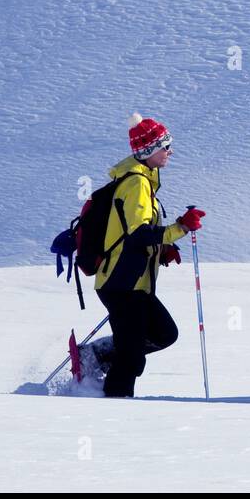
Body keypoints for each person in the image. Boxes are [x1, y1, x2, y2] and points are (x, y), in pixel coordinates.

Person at [91, 113, 205, 397]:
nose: (170, 152)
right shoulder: (137, 184)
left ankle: (98, 356)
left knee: (164, 333)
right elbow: (139, 234)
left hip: (134, 282)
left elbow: (136, 235)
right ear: (149, 151)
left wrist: (162, 249)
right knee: (131, 357)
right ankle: (112, 404)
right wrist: (180, 228)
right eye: (165, 146)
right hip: (122, 282)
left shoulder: (144, 181)